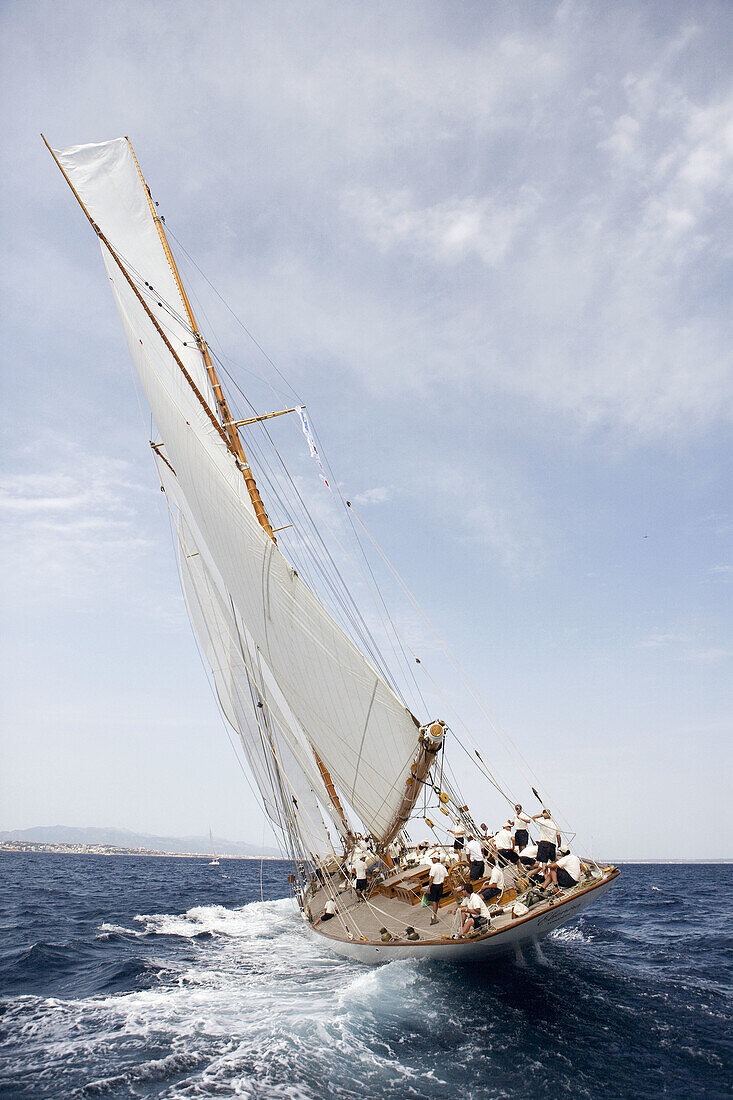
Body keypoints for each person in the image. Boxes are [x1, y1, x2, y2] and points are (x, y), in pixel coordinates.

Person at [428, 854, 448, 925]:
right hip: (440, 886)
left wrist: (429, 887)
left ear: (437, 859)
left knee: (434, 902)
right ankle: (434, 916)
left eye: (433, 858)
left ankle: (434, 917)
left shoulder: (434, 867)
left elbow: (432, 878)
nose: (432, 860)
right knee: (436, 901)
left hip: (434, 885)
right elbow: (446, 876)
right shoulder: (443, 867)